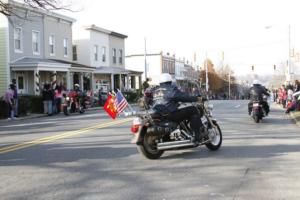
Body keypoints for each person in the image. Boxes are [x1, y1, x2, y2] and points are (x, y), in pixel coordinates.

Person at [151, 73, 204, 144]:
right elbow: (184, 97)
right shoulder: (171, 89)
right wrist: (197, 98)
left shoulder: (155, 90)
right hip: (170, 114)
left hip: (159, 114)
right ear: (170, 81)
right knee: (193, 109)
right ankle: (198, 135)